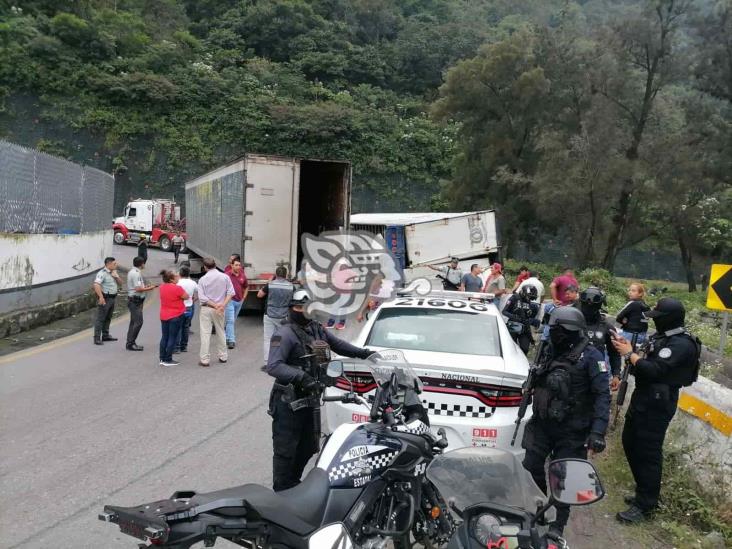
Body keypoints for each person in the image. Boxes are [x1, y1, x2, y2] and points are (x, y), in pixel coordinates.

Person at [266, 289, 372, 491]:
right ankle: (281, 490)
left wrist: (365, 354)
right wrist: (302, 377)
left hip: (311, 399)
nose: (302, 311)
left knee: (308, 447)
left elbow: (338, 345)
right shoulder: (284, 333)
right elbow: (274, 366)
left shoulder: (315, 329)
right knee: (286, 450)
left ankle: (293, 482)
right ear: (291, 309)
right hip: (289, 402)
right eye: (298, 308)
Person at [522, 306, 610, 539]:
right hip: (542, 423)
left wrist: (598, 431)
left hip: (572, 429)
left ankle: (557, 525)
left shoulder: (591, 356)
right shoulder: (549, 349)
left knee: (565, 478)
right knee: (530, 466)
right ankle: (539, 507)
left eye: (558, 329)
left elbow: (603, 395)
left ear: (570, 330)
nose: (554, 333)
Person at [612, 298, 700, 525]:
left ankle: (646, 504)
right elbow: (642, 361)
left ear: (669, 319)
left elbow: (653, 370)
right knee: (630, 443)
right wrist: (630, 351)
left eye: (658, 318)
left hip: (658, 403)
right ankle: (644, 492)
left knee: (648, 453)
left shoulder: (681, 344)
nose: (655, 322)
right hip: (644, 398)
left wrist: (629, 353)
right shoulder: (663, 338)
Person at [579, 287, 622, 390]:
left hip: (598, 371)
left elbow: (614, 353)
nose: (589, 306)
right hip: (574, 370)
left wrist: (616, 375)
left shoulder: (607, 327)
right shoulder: (572, 322)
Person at [197, 258, 234, 367]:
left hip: (207, 308)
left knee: (205, 334)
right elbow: (231, 293)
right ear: (215, 265)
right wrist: (222, 304)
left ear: (205, 267)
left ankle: (205, 359)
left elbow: (202, 298)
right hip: (220, 309)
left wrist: (214, 305)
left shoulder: (202, 280)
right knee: (221, 331)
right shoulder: (225, 277)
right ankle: (223, 356)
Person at [258, 266, 294, 368]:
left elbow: (259, 295)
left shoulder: (270, 285)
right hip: (283, 316)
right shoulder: (291, 286)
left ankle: (266, 363)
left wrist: (268, 282)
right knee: (282, 339)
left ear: (276, 274)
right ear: (286, 275)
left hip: (269, 314)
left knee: (268, 338)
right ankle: (282, 361)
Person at [158, 269, 188, 367]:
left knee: (164, 337)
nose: (178, 277)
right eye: (176, 276)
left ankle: (162, 358)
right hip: (175, 315)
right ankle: (168, 359)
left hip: (164, 315)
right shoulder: (177, 288)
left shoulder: (162, 287)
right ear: (171, 279)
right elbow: (186, 296)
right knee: (172, 337)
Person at [125, 256, 156, 351]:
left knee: (133, 322)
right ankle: (131, 343)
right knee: (138, 322)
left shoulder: (134, 272)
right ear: (141, 264)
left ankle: (130, 342)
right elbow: (138, 289)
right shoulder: (136, 274)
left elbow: (138, 286)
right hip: (135, 301)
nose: (144, 265)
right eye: (144, 263)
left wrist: (145, 286)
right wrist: (150, 288)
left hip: (136, 300)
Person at [92, 257, 122, 345]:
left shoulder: (114, 272)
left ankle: (105, 335)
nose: (116, 265)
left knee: (108, 317)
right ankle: (97, 338)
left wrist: (116, 277)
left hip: (112, 298)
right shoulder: (102, 273)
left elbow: (121, 283)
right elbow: (96, 285)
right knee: (100, 318)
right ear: (108, 264)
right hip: (105, 298)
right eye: (114, 264)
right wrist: (101, 297)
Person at [503, 285, 540, 353]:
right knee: (511, 348)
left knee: (525, 348)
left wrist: (532, 321)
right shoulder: (514, 298)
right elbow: (504, 311)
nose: (529, 299)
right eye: (528, 296)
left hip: (525, 327)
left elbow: (529, 317)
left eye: (531, 297)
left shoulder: (531, 304)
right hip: (513, 326)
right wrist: (514, 317)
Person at [224, 258, 249, 349]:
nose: (238, 267)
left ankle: (226, 337)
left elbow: (246, 287)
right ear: (232, 265)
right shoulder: (226, 275)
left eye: (239, 265)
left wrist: (244, 297)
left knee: (231, 321)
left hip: (239, 301)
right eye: (236, 265)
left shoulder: (242, 276)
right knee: (230, 320)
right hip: (229, 301)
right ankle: (231, 340)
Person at [176, 265, 198, 353]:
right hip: (189, 307)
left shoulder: (177, 283)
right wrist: (194, 299)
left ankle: (176, 347)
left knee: (178, 327)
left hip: (179, 307)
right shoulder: (192, 283)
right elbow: (200, 291)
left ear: (180, 273)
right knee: (185, 327)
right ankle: (184, 346)